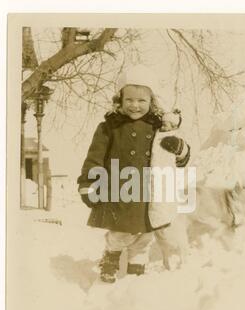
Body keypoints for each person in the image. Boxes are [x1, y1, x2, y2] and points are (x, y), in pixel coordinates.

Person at [77, 65, 191, 283]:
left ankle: (135, 274)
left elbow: (176, 161)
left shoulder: (160, 128)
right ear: (120, 99)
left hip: (149, 194)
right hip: (120, 191)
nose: (135, 105)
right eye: (129, 99)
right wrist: (89, 183)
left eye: (141, 101)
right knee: (121, 232)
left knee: (145, 237)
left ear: (152, 101)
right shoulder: (109, 127)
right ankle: (110, 257)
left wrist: (179, 148)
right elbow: (94, 157)